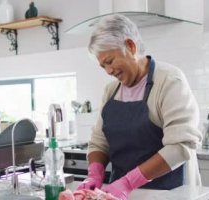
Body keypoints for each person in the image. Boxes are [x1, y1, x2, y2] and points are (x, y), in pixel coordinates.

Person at [77, 14, 202, 199]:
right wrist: (95, 173)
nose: (109, 71)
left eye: (110, 61)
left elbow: (180, 146)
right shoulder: (111, 91)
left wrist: (129, 182)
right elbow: (99, 142)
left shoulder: (169, 80)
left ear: (131, 46)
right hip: (120, 194)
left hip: (169, 193)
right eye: (103, 66)